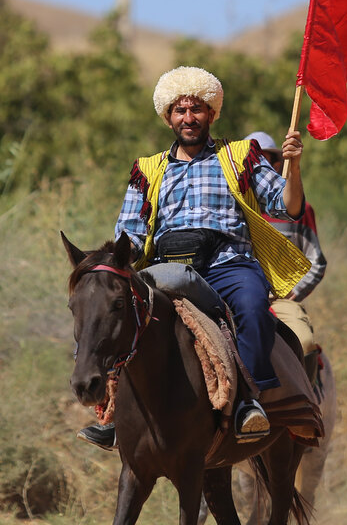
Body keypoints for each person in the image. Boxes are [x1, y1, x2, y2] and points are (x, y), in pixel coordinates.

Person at [78, 66, 310, 451]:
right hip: (163, 271)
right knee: (113, 314)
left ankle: (249, 403)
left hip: (229, 265)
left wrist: (295, 166)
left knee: (253, 307)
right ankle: (115, 412)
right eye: (180, 110)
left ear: (212, 113)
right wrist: (112, 259)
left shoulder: (240, 156)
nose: (189, 118)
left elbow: (289, 207)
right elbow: (131, 232)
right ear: (168, 117)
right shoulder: (147, 169)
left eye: (198, 109)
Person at [244, 130, 327, 377]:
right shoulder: (235, 204)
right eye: (254, 161)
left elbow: (316, 261)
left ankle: (309, 403)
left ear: (280, 163)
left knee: (304, 341)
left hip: (281, 300)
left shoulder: (300, 208)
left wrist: (296, 291)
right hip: (236, 295)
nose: (262, 168)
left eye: (270, 160)